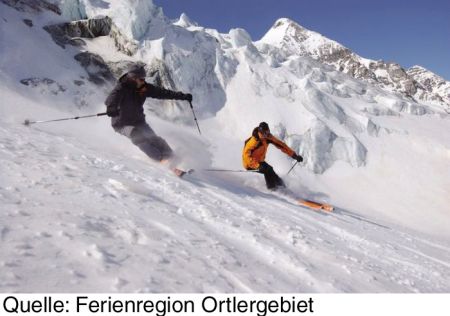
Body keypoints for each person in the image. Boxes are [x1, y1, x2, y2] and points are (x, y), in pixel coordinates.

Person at [105, 64, 192, 165]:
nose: (143, 81)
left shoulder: (143, 88)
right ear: (133, 78)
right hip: (122, 123)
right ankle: (161, 159)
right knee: (137, 136)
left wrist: (183, 96)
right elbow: (111, 99)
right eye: (141, 79)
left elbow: (162, 93)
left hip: (138, 121)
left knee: (153, 138)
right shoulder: (121, 88)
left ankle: (172, 156)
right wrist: (111, 108)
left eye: (143, 79)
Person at [242, 122, 303, 190]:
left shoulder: (267, 137)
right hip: (250, 164)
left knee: (271, 170)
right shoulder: (254, 141)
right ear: (261, 132)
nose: (267, 134)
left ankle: (283, 187)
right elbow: (246, 156)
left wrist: (294, 155)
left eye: (268, 132)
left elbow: (281, 145)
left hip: (259, 161)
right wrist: (257, 166)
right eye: (266, 133)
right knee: (268, 170)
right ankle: (272, 189)